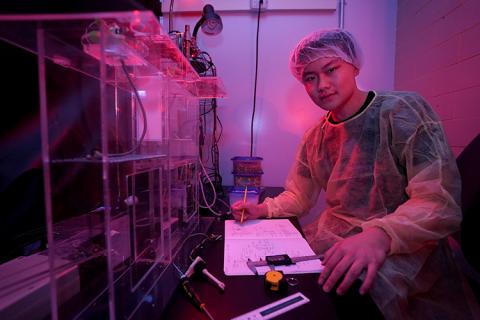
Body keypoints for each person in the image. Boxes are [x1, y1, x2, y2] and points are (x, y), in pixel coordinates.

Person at [231, 29, 479, 319]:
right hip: (336, 238)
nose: (321, 85)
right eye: (309, 78)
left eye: (330, 69)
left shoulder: (402, 112)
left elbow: (438, 201)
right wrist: (262, 208)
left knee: (355, 295)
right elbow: (299, 195)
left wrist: (379, 235)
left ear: (354, 65)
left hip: (404, 245)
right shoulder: (316, 137)